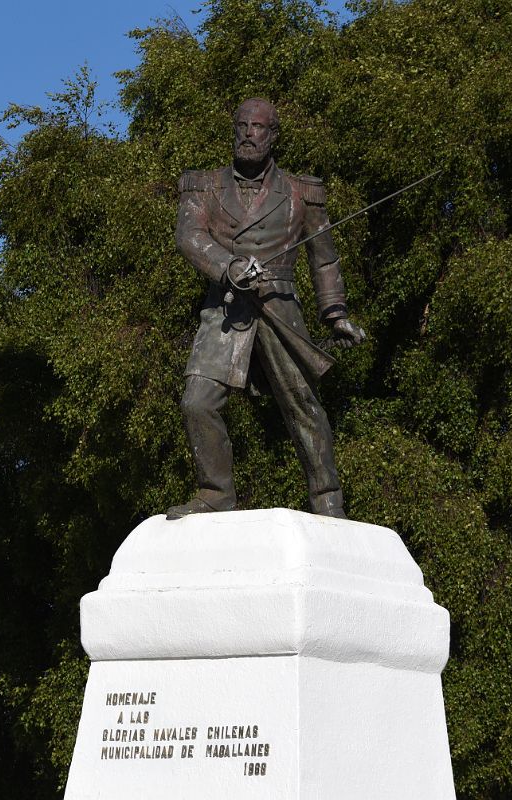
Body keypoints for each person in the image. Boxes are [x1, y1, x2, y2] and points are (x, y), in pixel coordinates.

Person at [168, 98, 366, 520]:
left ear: (273, 136)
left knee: (304, 407)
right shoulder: (203, 186)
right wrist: (227, 266)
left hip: (280, 308)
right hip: (225, 309)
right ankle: (216, 493)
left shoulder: (302, 193)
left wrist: (335, 314)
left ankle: (328, 503)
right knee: (196, 402)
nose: (247, 133)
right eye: (241, 125)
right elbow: (189, 236)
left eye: (257, 127)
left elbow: (323, 257)